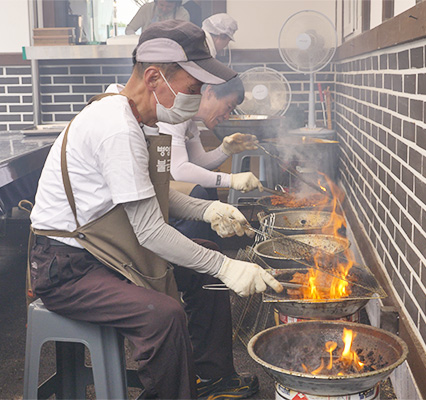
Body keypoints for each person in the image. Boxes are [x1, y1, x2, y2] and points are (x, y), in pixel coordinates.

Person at [29, 20, 282, 400]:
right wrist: (227, 268)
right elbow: (148, 229)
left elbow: (152, 196)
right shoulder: (116, 126)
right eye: (192, 88)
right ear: (153, 77)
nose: (196, 99)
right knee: (163, 316)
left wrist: (209, 209)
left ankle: (212, 378)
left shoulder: (140, 120)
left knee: (205, 255)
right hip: (67, 268)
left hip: (106, 249)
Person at [157, 76, 262, 240]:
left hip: (164, 183)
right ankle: (188, 261)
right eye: (228, 107)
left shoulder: (190, 121)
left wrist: (225, 150)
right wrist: (231, 180)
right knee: (197, 192)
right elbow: (179, 171)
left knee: (208, 186)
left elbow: (198, 162)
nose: (227, 116)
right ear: (210, 93)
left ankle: (213, 251)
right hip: (149, 189)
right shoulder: (175, 113)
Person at [125, 0, 189, 35]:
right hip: (146, 47)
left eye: (169, 7)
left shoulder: (183, 14)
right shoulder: (147, 8)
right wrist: (135, 41)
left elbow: (183, 36)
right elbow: (130, 29)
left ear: (176, 5)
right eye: (161, 5)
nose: (164, 9)